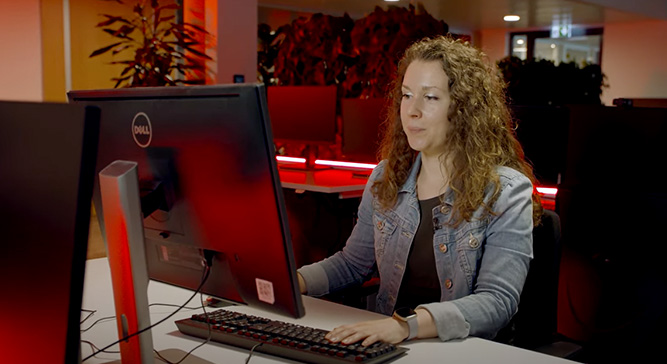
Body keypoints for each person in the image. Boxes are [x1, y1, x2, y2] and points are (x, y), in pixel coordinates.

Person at [297, 35, 542, 346]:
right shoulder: (386, 176)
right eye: (407, 95)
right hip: (388, 342)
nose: (411, 111)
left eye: (430, 98)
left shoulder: (506, 191)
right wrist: (296, 281)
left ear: (463, 108)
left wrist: (404, 326)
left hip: (459, 349)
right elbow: (352, 263)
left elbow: (496, 302)